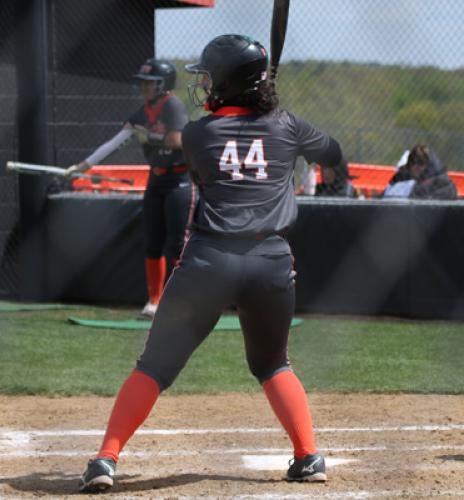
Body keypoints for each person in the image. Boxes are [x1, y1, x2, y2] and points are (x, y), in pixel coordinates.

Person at [78, 34, 343, 493]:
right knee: (273, 364)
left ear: (226, 82)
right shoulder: (287, 125)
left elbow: (223, 149)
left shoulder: (200, 133)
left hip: (210, 261)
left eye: (209, 76)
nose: (203, 84)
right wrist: (278, 117)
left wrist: (263, 113)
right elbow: (333, 153)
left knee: (155, 367)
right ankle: (308, 455)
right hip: (270, 263)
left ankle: (105, 459)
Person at [65, 59, 196, 318]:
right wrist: (82, 166)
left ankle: (184, 301)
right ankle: (154, 300)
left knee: (179, 243)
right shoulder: (141, 113)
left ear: (164, 84)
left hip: (179, 181)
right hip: (156, 180)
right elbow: (114, 143)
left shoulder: (173, 106)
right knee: (152, 242)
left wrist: (151, 136)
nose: (145, 87)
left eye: (151, 82)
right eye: (143, 82)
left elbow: (177, 140)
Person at [383, 144, 457, 200]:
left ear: (427, 164)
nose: (415, 166)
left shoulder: (439, 181)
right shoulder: (404, 179)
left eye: (420, 162)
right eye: (412, 162)